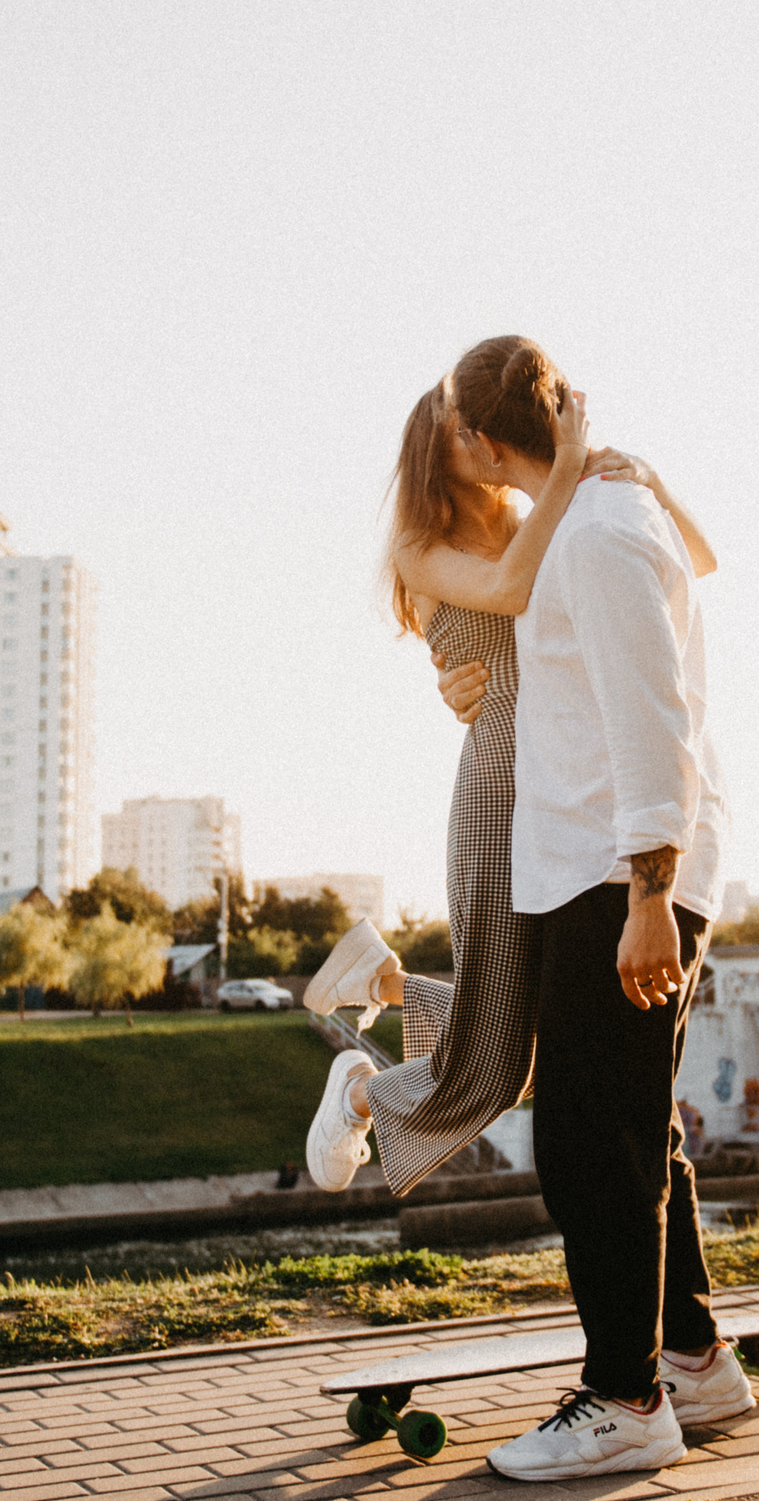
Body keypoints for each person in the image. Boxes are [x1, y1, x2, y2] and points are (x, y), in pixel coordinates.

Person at [301, 340, 714, 1204]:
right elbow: (515, 590)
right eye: (462, 434)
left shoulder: (546, 514)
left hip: (563, 791)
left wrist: (644, 477)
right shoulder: (425, 548)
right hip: (501, 790)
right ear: (441, 451)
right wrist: (567, 465)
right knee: (499, 1064)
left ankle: (379, 981)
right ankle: (360, 1087)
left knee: (538, 1042)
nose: (484, 444)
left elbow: (697, 561)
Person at [437, 341, 740, 1482]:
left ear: (477, 436)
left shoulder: (601, 531)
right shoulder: (593, 515)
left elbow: (653, 716)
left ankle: (625, 1399)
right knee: (630, 1127)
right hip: (595, 867)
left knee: (587, 1143)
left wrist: (650, 895)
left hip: (619, 874)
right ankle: (695, 1359)